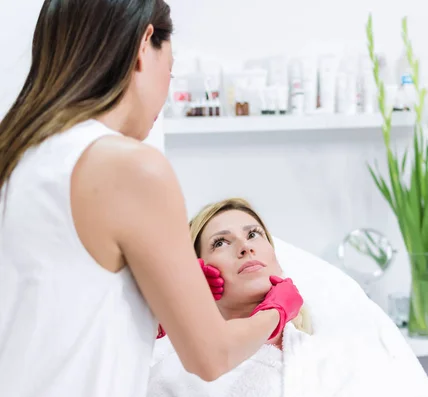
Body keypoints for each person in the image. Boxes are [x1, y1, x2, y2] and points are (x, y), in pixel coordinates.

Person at [0, 1, 303, 396]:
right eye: (170, 70)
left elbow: (60, 304)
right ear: (145, 44)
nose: (166, 91)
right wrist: (277, 312)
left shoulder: (17, 158)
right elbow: (210, 357)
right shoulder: (131, 167)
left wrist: (154, 305)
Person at [148, 198, 428, 397]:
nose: (244, 247)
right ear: (197, 270)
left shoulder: (332, 344)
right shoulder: (177, 364)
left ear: (275, 257)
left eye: (254, 235)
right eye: (221, 242)